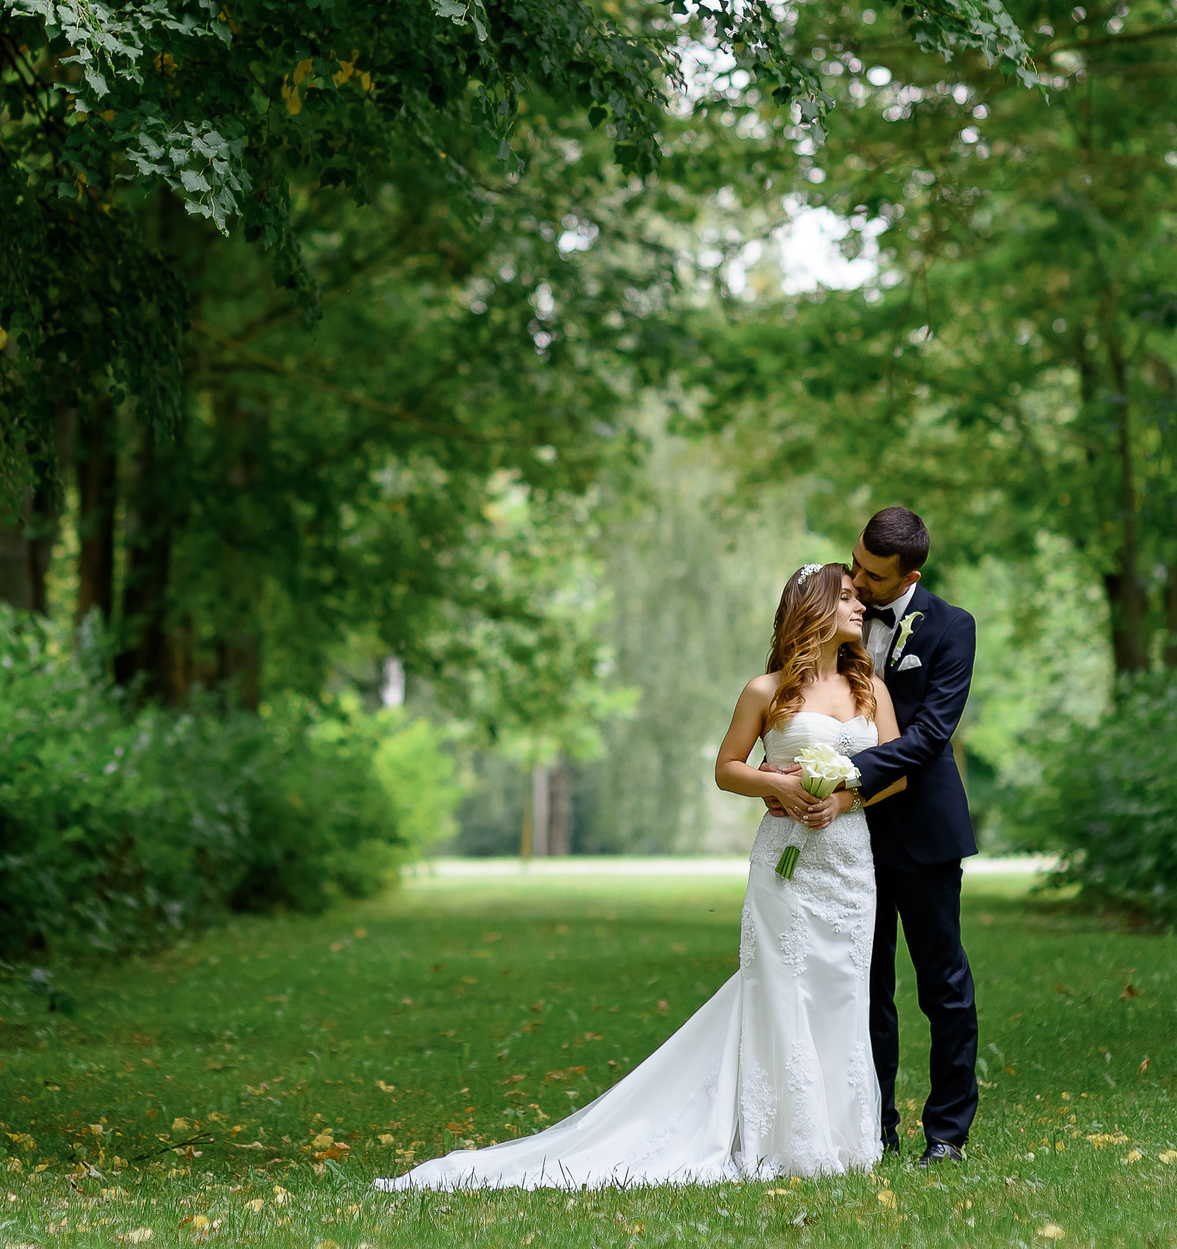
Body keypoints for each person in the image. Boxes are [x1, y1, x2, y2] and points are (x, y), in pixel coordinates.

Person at [376, 562, 906, 1190]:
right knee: (783, 986)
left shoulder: (870, 686)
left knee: (845, 987)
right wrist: (777, 785)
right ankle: (782, 1138)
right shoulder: (765, 691)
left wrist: (841, 798)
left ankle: (842, 1135)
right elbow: (727, 768)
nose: (858, 607)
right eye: (846, 598)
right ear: (812, 609)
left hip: (848, 859)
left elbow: (894, 770)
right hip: (786, 865)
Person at [765, 505, 978, 1166]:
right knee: (859, 981)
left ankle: (946, 1132)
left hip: (921, 830)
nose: (856, 579)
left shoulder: (951, 629)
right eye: (853, 562)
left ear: (909, 573)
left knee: (942, 984)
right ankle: (870, 1126)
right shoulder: (842, 606)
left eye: (872, 574)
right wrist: (780, 769)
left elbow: (928, 738)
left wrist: (844, 776)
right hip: (842, 845)